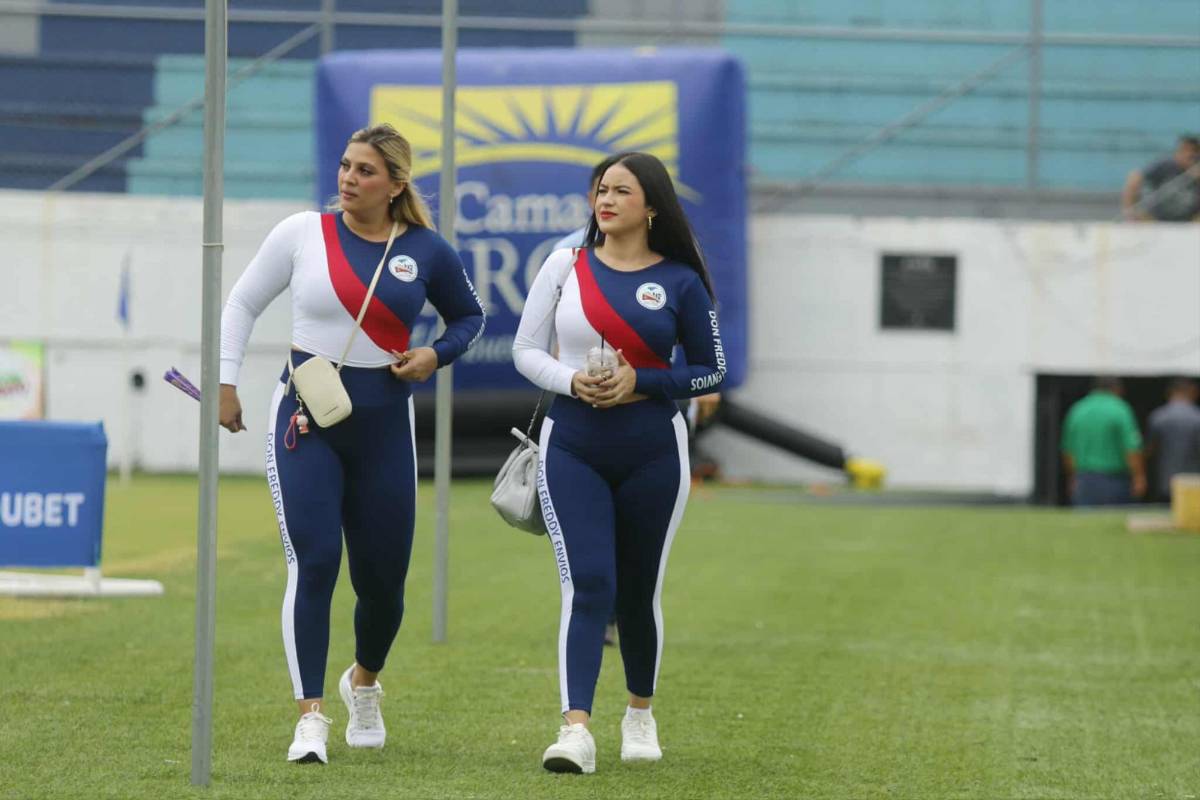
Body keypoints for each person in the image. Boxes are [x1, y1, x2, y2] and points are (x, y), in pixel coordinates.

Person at [218, 123, 485, 765]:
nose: (348, 178)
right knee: (314, 562)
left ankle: (363, 682)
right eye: (344, 166)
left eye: (365, 171)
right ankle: (310, 715)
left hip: (387, 427)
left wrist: (434, 355)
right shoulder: (301, 232)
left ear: (395, 185)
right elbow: (242, 303)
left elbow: (470, 318)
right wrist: (226, 383)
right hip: (305, 422)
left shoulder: (427, 249)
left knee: (383, 584)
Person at [513, 152, 727, 774]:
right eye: (600, 190)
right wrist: (572, 381)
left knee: (637, 592)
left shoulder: (682, 281)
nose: (604, 200)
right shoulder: (564, 265)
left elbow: (713, 369)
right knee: (588, 585)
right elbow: (527, 350)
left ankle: (639, 712)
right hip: (572, 444)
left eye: (621, 191)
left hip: (655, 451)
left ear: (651, 205)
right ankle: (575, 727)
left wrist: (645, 383)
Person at [1060, 376, 1147, 506]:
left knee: (1085, 523)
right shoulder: (1120, 409)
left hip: (1084, 479)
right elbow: (1132, 449)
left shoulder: (1077, 409)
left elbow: (1067, 451)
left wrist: (1073, 477)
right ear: (1117, 389)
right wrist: (1139, 477)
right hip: (1115, 480)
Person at [1121, 135, 1200, 222]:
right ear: (1178, 152)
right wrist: (1132, 212)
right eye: (1184, 151)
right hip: (1157, 222)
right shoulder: (1165, 166)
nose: (1188, 155)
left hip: (1188, 224)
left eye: (1193, 152)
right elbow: (1134, 178)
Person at [1146, 378, 1200, 503]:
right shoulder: (1197, 417)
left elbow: (1149, 449)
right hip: (1193, 483)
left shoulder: (1158, 416)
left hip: (1165, 481)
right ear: (1192, 392)